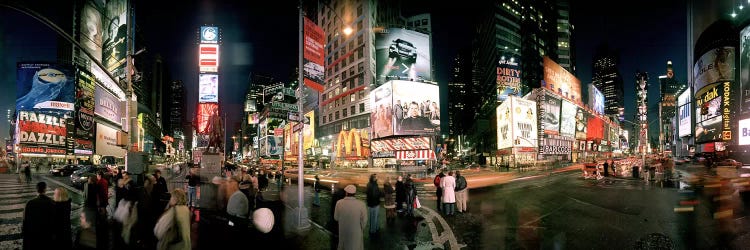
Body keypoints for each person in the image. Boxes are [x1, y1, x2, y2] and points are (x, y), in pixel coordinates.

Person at [23, 181, 56, 250]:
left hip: (34, 236)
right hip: (47, 235)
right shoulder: (52, 203)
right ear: (45, 189)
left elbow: (25, 221)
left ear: (36, 189)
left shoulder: (30, 203)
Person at [334, 185, 367, 250]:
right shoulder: (361, 204)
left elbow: (336, 218)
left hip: (343, 230)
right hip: (356, 232)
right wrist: (362, 227)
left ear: (346, 193)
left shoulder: (339, 203)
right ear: (354, 193)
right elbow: (364, 220)